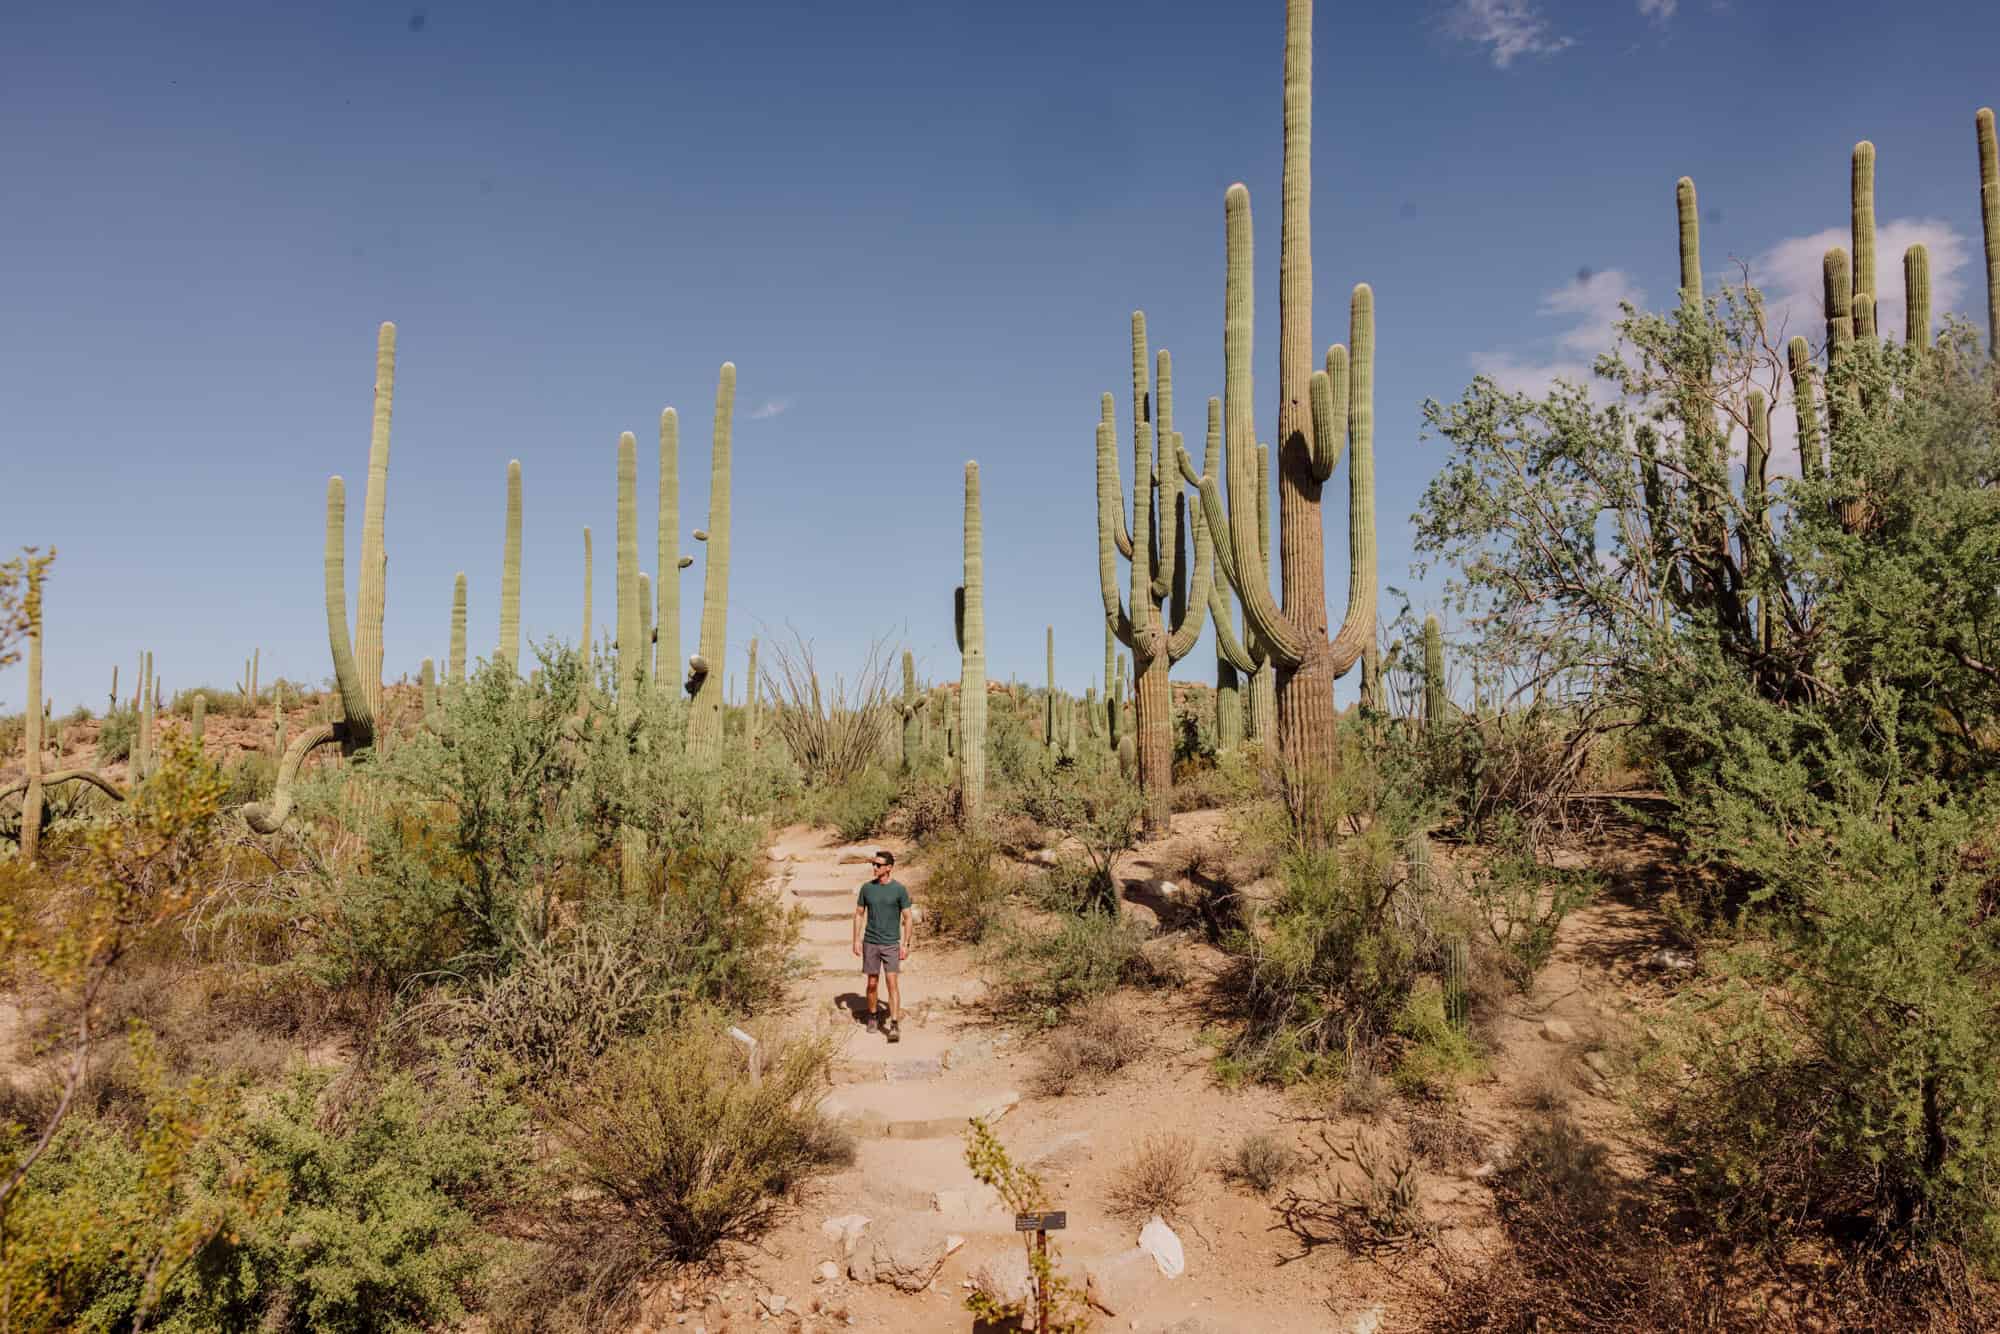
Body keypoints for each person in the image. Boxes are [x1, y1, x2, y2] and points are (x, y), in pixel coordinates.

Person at [852, 849, 913, 1041]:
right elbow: (859, 914)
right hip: (871, 942)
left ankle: (893, 1024)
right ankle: (872, 1016)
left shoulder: (899, 890)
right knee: (872, 983)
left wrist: (906, 943)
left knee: (892, 983)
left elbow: (908, 917)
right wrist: (855, 939)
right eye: (873, 864)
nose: (874, 868)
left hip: (890, 944)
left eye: (878, 865)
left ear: (889, 868)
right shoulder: (867, 888)